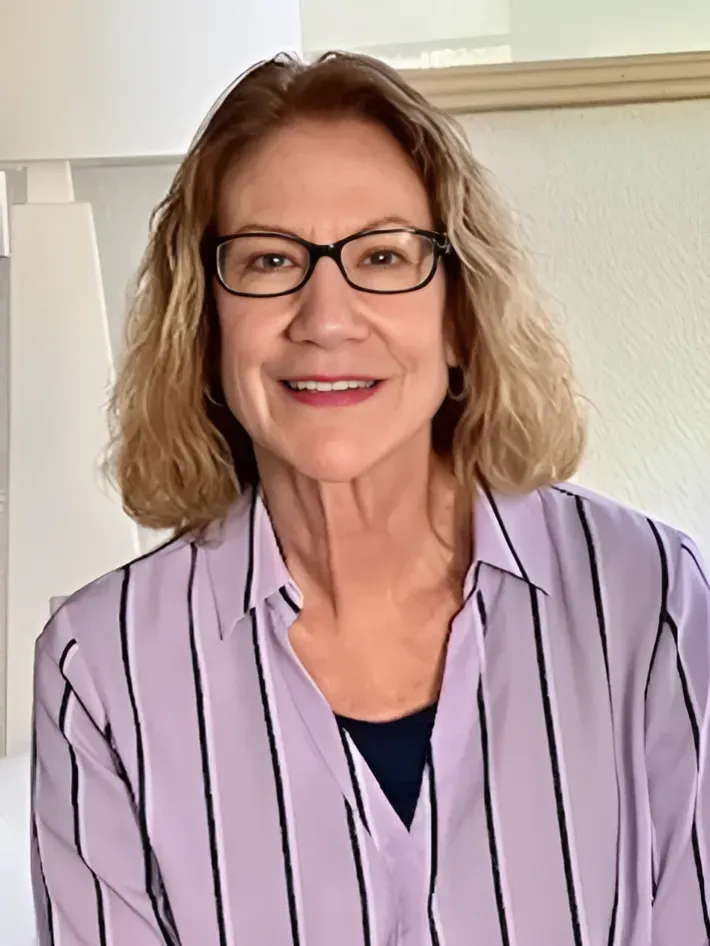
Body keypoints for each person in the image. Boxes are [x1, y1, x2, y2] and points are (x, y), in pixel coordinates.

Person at [31, 51, 709, 946]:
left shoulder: (654, 602)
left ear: (460, 315)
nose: (326, 317)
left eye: (384, 256)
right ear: (206, 324)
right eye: (269, 260)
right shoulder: (99, 670)